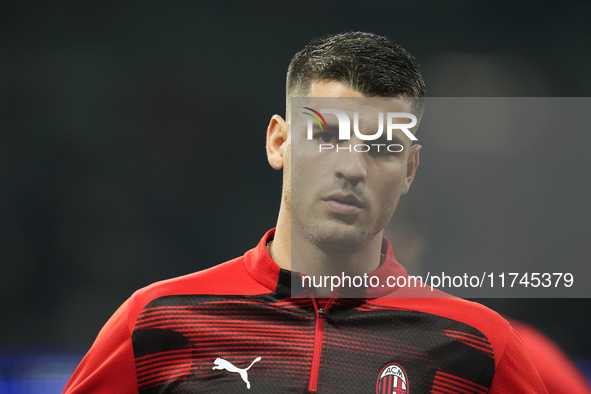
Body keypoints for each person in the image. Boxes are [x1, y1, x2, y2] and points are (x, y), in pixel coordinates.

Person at [63, 32, 548, 394]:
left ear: (410, 169)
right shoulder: (156, 323)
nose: (351, 168)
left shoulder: (478, 347)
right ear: (279, 141)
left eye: (381, 146)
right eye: (327, 136)